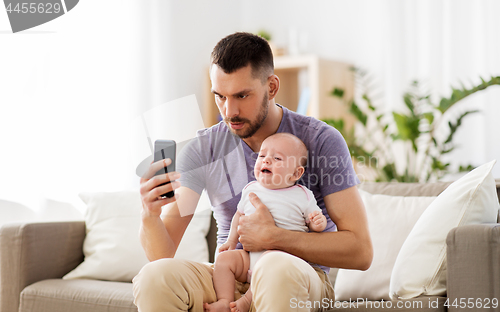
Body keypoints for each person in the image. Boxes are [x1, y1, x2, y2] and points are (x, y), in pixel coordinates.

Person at [134, 32, 373, 312]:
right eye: (220, 96)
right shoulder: (204, 148)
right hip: (232, 274)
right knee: (155, 277)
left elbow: (361, 252)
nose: (229, 111)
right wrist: (149, 216)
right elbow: (162, 254)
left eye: (242, 95)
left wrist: (275, 238)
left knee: (275, 267)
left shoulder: (320, 141)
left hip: (298, 275)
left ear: (271, 87)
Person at [205, 133, 328, 312]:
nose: (266, 161)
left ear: (296, 173)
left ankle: (247, 301)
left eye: (277, 158)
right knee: (224, 260)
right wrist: (231, 241)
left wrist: (318, 223)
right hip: (248, 258)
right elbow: (238, 216)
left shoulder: (302, 195)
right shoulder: (250, 189)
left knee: (272, 267)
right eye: (262, 156)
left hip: (281, 256)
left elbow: (315, 220)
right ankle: (225, 300)